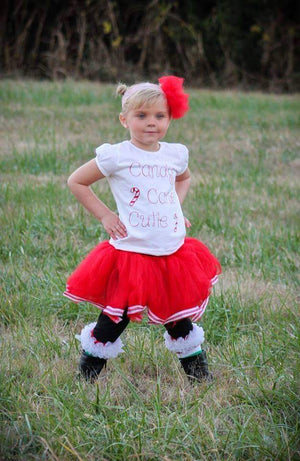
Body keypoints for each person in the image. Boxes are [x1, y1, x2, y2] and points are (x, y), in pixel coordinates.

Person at [64, 76, 221, 383]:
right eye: (142, 116)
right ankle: (88, 375)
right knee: (115, 317)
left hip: (171, 253)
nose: (152, 123)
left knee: (178, 318)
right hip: (131, 253)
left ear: (170, 119)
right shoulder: (117, 155)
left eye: (160, 116)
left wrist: (175, 206)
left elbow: (183, 179)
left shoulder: (175, 154)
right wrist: (105, 215)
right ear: (124, 119)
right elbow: (76, 181)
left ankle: (200, 378)